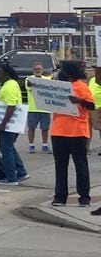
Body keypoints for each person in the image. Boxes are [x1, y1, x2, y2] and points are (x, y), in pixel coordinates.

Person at [47, 61, 94, 207]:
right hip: (58, 130)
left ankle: (84, 196)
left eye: (64, 70)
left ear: (69, 72)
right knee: (60, 165)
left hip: (77, 131)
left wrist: (79, 100)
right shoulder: (58, 87)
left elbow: (91, 105)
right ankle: (60, 196)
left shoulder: (81, 86)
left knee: (80, 164)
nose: (61, 73)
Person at [0, 63, 29, 186]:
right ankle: (21, 172)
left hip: (9, 124)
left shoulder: (9, 87)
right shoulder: (12, 84)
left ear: (6, 74)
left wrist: (3, 123)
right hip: (13, 123)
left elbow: (11, 106)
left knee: (6, 149)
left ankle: (11, 178)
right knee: (10, 148)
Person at [25, 61, 52, 154]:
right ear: (33, 70)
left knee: (45, 128)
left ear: (42, 70)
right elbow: (29, 87)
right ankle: (31, 145)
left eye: (39, 69)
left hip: (45, 108)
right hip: (33, 108)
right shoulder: (29, 79)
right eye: (36, 69)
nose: (37, 71)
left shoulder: (48, 80)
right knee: (31, 127)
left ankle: (45, 145)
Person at [88, 66, 101, 148]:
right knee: (87, 129)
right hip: (89, 107)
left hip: (99, 108)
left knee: (100, 129)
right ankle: (86, 147)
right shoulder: (92, 80)